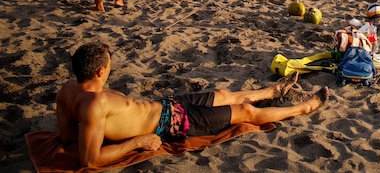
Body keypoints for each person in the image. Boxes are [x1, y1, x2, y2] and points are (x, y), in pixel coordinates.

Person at [56, 42, 328, 169]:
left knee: (222, 93)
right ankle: (303, 108)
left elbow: (67, 137)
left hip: (164, 106)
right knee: (245, 113)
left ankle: (270, 91)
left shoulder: (67, 90)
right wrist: (137, 142)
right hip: (170, 124)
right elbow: (89, 160)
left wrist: (97, 129)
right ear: (101, 71)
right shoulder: (94, 105)